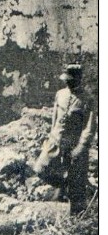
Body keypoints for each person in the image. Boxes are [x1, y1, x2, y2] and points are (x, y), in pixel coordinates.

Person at [35, 64, 97, 215]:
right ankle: (63, 186)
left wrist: (80, 148)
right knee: (40, 169)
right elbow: (55, 118)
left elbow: (89, 128)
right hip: (56, 143)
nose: (67, 83)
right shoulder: (60, 94)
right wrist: (50, 138)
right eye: (66, 80)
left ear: (79, 79)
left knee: (77, 191)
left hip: (75, 147)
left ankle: (76, 219)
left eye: (71, 80)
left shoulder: (88, 99)